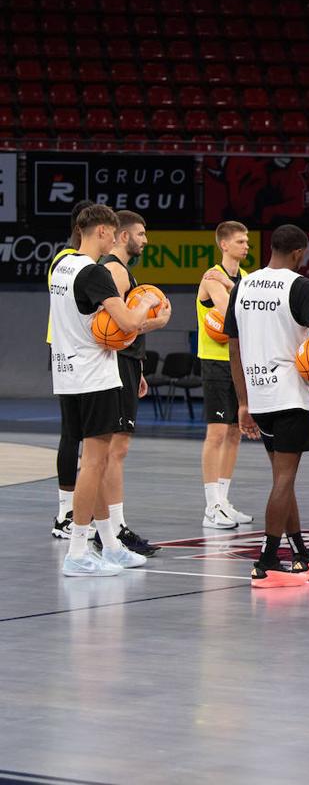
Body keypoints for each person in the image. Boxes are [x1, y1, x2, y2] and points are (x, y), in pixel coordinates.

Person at [227, 224, 309, 587]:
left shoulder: (243, 285)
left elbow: (233, 347)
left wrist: (243, 401)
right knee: (284, 479)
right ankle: (267, 562)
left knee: (281, 480)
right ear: (300, 253)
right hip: (290, 395)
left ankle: (301, 554)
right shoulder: (299, 286)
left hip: (258, 393)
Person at [50, 204, 159, 576]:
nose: (115, 240)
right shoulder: (93, 273)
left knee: (92, 464)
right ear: (99, 232)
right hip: (94, 377)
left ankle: (111, 545)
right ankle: (78, 551)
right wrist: (147, 305)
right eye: (112, 234)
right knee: (94, 464)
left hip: (67, 374)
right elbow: (127, 322)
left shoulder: (60, 265)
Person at [93, 210, 173, 558]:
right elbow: (118, 328)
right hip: (116, 364)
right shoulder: (114, 269)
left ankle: (110, 526)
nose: (145, 239)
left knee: (116, 450)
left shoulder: (121, 270)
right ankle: (111, 528)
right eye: (141, 234)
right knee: (114, 450)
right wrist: (158, 321)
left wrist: (138, 367)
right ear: (123, 236)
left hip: (126, 365)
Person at [196, 221, 252, 529]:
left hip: (239, 362)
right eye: (240, 241)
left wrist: (234, 286)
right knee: (216, 433)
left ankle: (224, 501)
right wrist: (232, 289)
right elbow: (234, 313)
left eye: (247, 241)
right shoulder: (212, 277)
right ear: (224, 245)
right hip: (216, 362)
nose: (246, 246)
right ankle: (210, 506)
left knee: (235, 433)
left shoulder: (241, 278)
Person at [50, 198, 93, 540]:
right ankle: (66, 511)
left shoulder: (62, 261)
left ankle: (70, 511)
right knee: (74, 434)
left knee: (77, 435)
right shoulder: (71, 262)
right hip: (72, 349)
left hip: (68, 347)